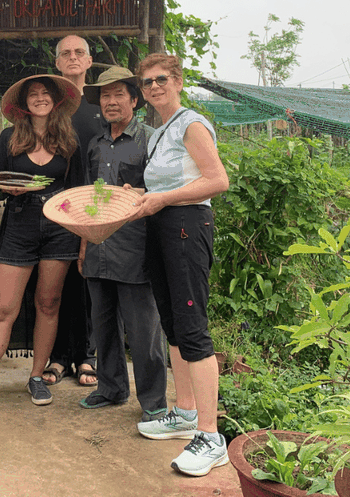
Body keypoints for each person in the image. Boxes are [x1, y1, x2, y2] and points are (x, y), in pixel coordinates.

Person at [0, 74, 83, 416]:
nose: (39, 98)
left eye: (44, 93)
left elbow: (79, 189)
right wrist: (10, 189)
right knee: (1, 309)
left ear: (56, 100)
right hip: (20, 224)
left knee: (48, 303)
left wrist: (83, 239)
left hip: (60, 226)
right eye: (33, 94)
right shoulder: (10, 137)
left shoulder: (69, 139)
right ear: (23, 104)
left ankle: (36, 375)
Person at [130, 54, 230, 477]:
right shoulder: (158, 133)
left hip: (188, 225)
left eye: (160, 80)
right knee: (172, 322)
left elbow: (217, 180)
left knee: (192, 326)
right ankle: (186, 412)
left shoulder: (191, 123)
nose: (153, 87)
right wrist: (138, 193)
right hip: (162, 226)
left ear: (177, 82)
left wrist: (162, 199)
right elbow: (166, 183)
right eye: (147, 82)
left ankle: (211, 435)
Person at [76, 67, 167, 420]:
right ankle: (111, 388)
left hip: (137, 246)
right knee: (103, 323)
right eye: (105, 96)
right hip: (99, 245)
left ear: (134, 100)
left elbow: (162, 191)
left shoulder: (149, 139)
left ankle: (154, 403)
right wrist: (84, 244)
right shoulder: (95, 144)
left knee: (143, 329)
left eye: (118, 95)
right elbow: (89, 198)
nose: (111, 102)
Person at [41, 35, 103, 387]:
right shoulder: (51, 107)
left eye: (79, 52)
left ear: (89, 61)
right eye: (66, 53)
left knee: (89, 283)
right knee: (55, 285)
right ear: (57, 64)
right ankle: (60, 356)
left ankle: (88, 355)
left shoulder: (99, 106)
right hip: (55, 208)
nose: (73, 57)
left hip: (95, 208)